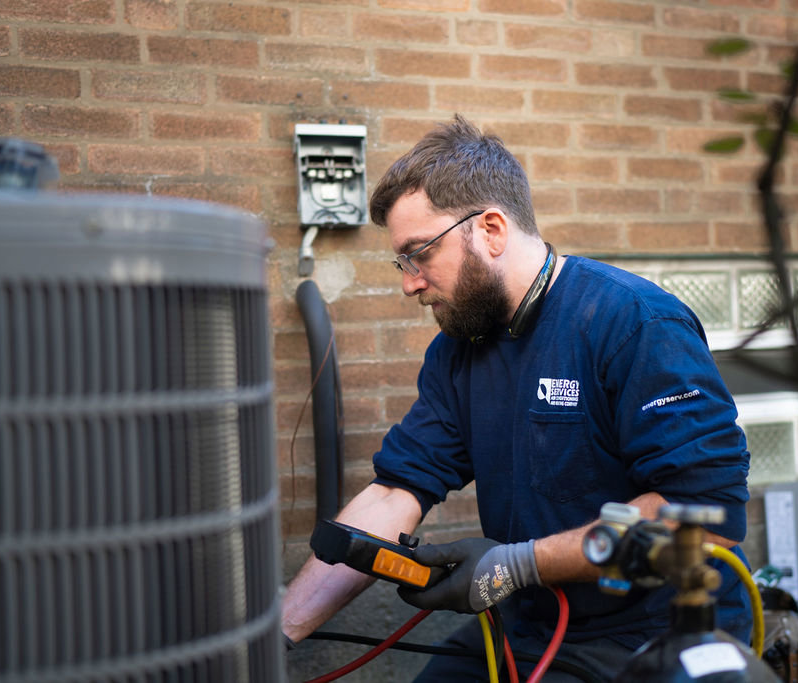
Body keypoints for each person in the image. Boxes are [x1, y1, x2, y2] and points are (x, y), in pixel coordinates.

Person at [280, 114, 751, 681]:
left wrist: (518, 564)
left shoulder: (633, 324)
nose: (409, 282)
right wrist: (277, 629)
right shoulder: (459, 352)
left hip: (652, 635)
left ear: (491, 230)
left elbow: (707, 517)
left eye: (419, 254)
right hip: (528, 625)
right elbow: (396, 491)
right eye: (401, 262)